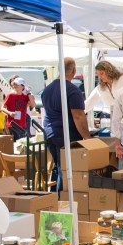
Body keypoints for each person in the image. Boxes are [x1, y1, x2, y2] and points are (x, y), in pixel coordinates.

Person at [41, 57, 90, 192]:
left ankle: (54, 197)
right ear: (73, 70)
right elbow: (78, 116)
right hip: (66, 134)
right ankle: (61, 199)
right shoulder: (72, 90)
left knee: (59, 167)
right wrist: (88, 138)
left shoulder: (47, 89)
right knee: (66, 170)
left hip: (50, 132)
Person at [84, 60, 123, 127]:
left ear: (109, 71)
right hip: (108, 121)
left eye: (101, 73)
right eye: (98, 74)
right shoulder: (100, 88)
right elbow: (88, 103)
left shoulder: (122, 79)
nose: (100, 77)